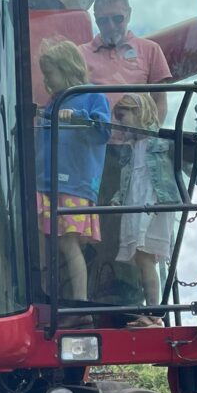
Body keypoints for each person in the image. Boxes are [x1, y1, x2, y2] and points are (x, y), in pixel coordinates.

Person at [110, 92, 197, 326]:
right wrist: (118, 198)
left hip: (156, 203)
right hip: (136, 204)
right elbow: (126, 180)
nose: (121, 123)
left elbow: (189, 165)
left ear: (139, 112)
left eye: (123, 116)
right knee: (142, 260)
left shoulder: (163, 141)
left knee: (145, 257)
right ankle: (152, 311)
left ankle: (153, 313)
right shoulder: (129, 150)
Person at [35, 40, 111, 309]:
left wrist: (79, 117)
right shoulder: (52, 103)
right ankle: (41, 295)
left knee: (69, 243)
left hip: (75, 184)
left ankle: (80, 300)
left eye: (50, 73)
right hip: (44, 182)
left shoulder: (93, 97)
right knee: (41, 243)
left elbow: (103, 132)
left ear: (67, 69)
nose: (46, 80)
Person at [80, 0, 171, 121]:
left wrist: (150, 135)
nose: (111, 26)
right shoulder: (79, 54)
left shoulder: (151, 50)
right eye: (103, 21)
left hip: (135, 139)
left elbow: (159, 100)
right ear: (96, 19)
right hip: (94, 139)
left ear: (129, 14)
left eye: (117, 18)